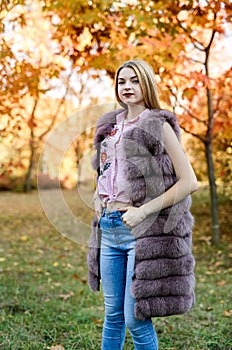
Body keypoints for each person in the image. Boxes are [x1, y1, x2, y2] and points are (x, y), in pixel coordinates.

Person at [87, 59, 198, 350]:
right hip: (109, 228)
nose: (127, 87)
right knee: (112, 314)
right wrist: (98, 196)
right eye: (122, 81)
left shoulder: (157, 125)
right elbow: (107, 171)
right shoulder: (110, 127)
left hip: (142, 233)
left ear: (146, 83)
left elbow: (189, 181)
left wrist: (144, 211)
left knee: (135, 317)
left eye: (134, 80)